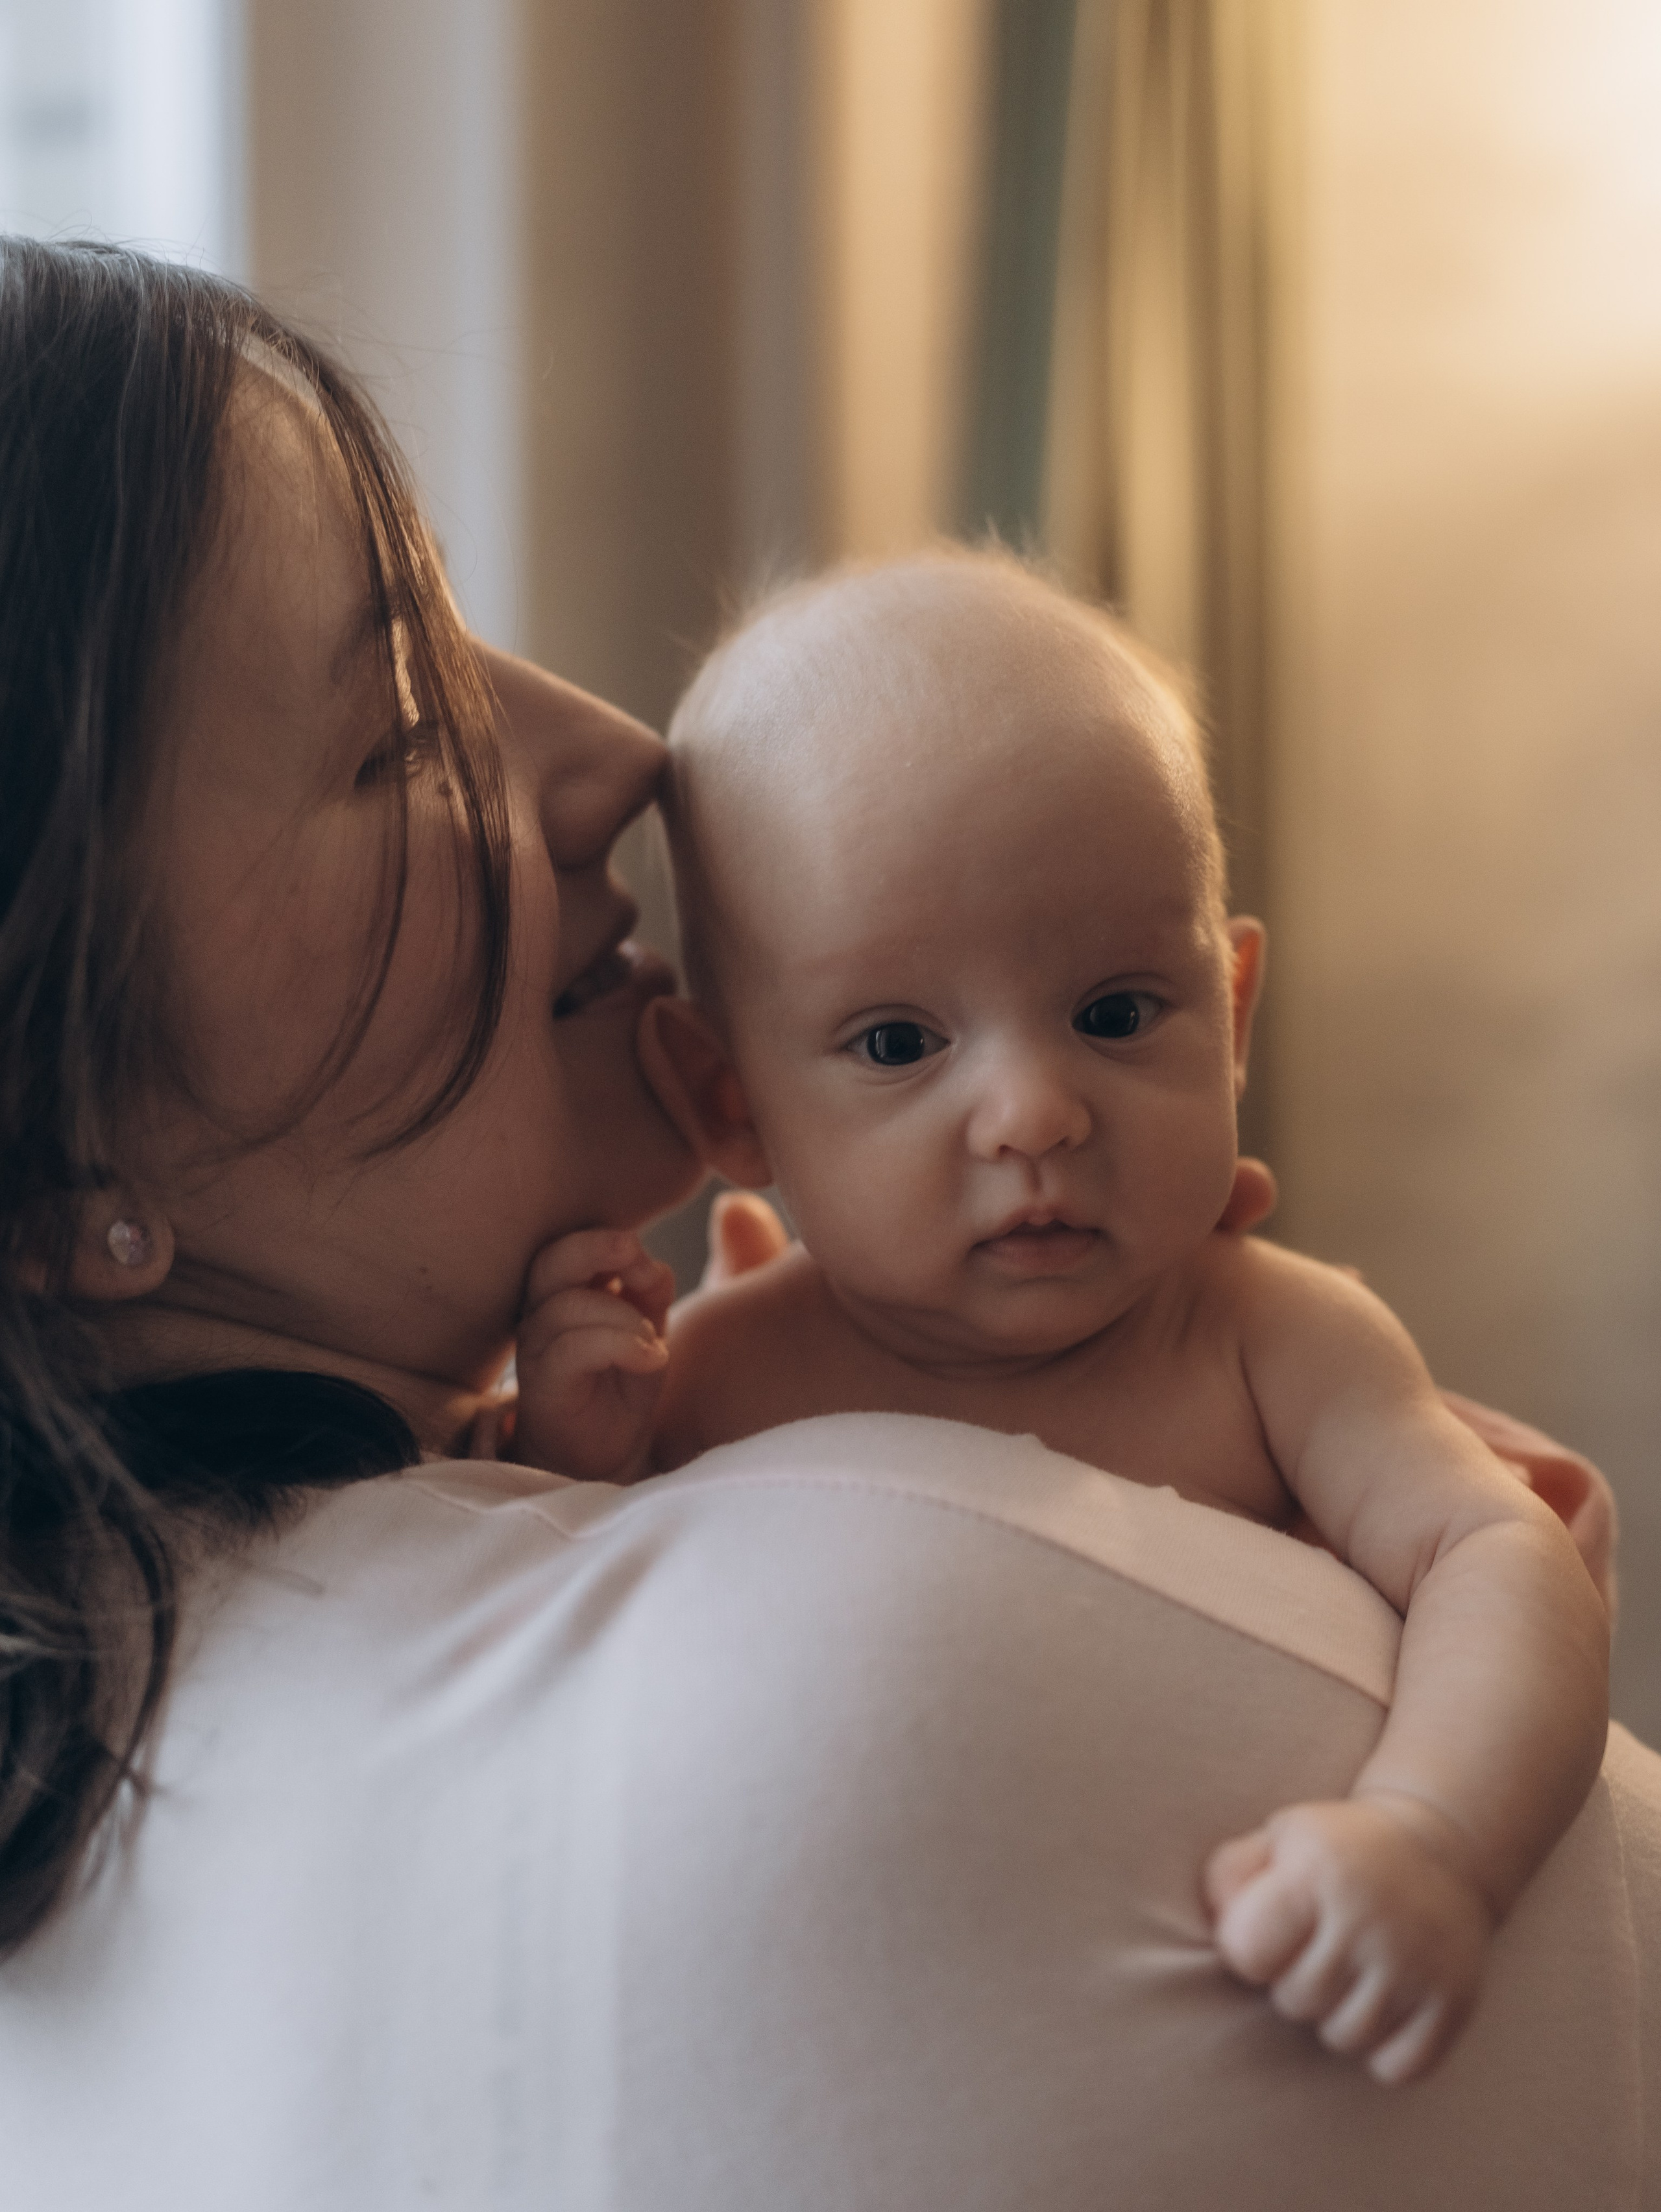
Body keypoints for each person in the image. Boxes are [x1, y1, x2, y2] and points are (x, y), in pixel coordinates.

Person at [0, 239, 1656, 2211]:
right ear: (52, 1155)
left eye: (1119, 1011)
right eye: (401, 735)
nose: (622, 755)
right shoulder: (880, 1639)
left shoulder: (103, 1805)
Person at [510, 552, 1609, 2082]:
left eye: (1111, 1012)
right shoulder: (718, 1371)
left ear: (1226, 1015)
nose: (1032, 1111)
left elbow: (1503, 1555)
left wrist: (1431, 1838)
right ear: (727, 1103)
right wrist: (570, 1449)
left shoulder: (1265, 1339)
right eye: (897, 1041)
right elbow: (537, 1670)